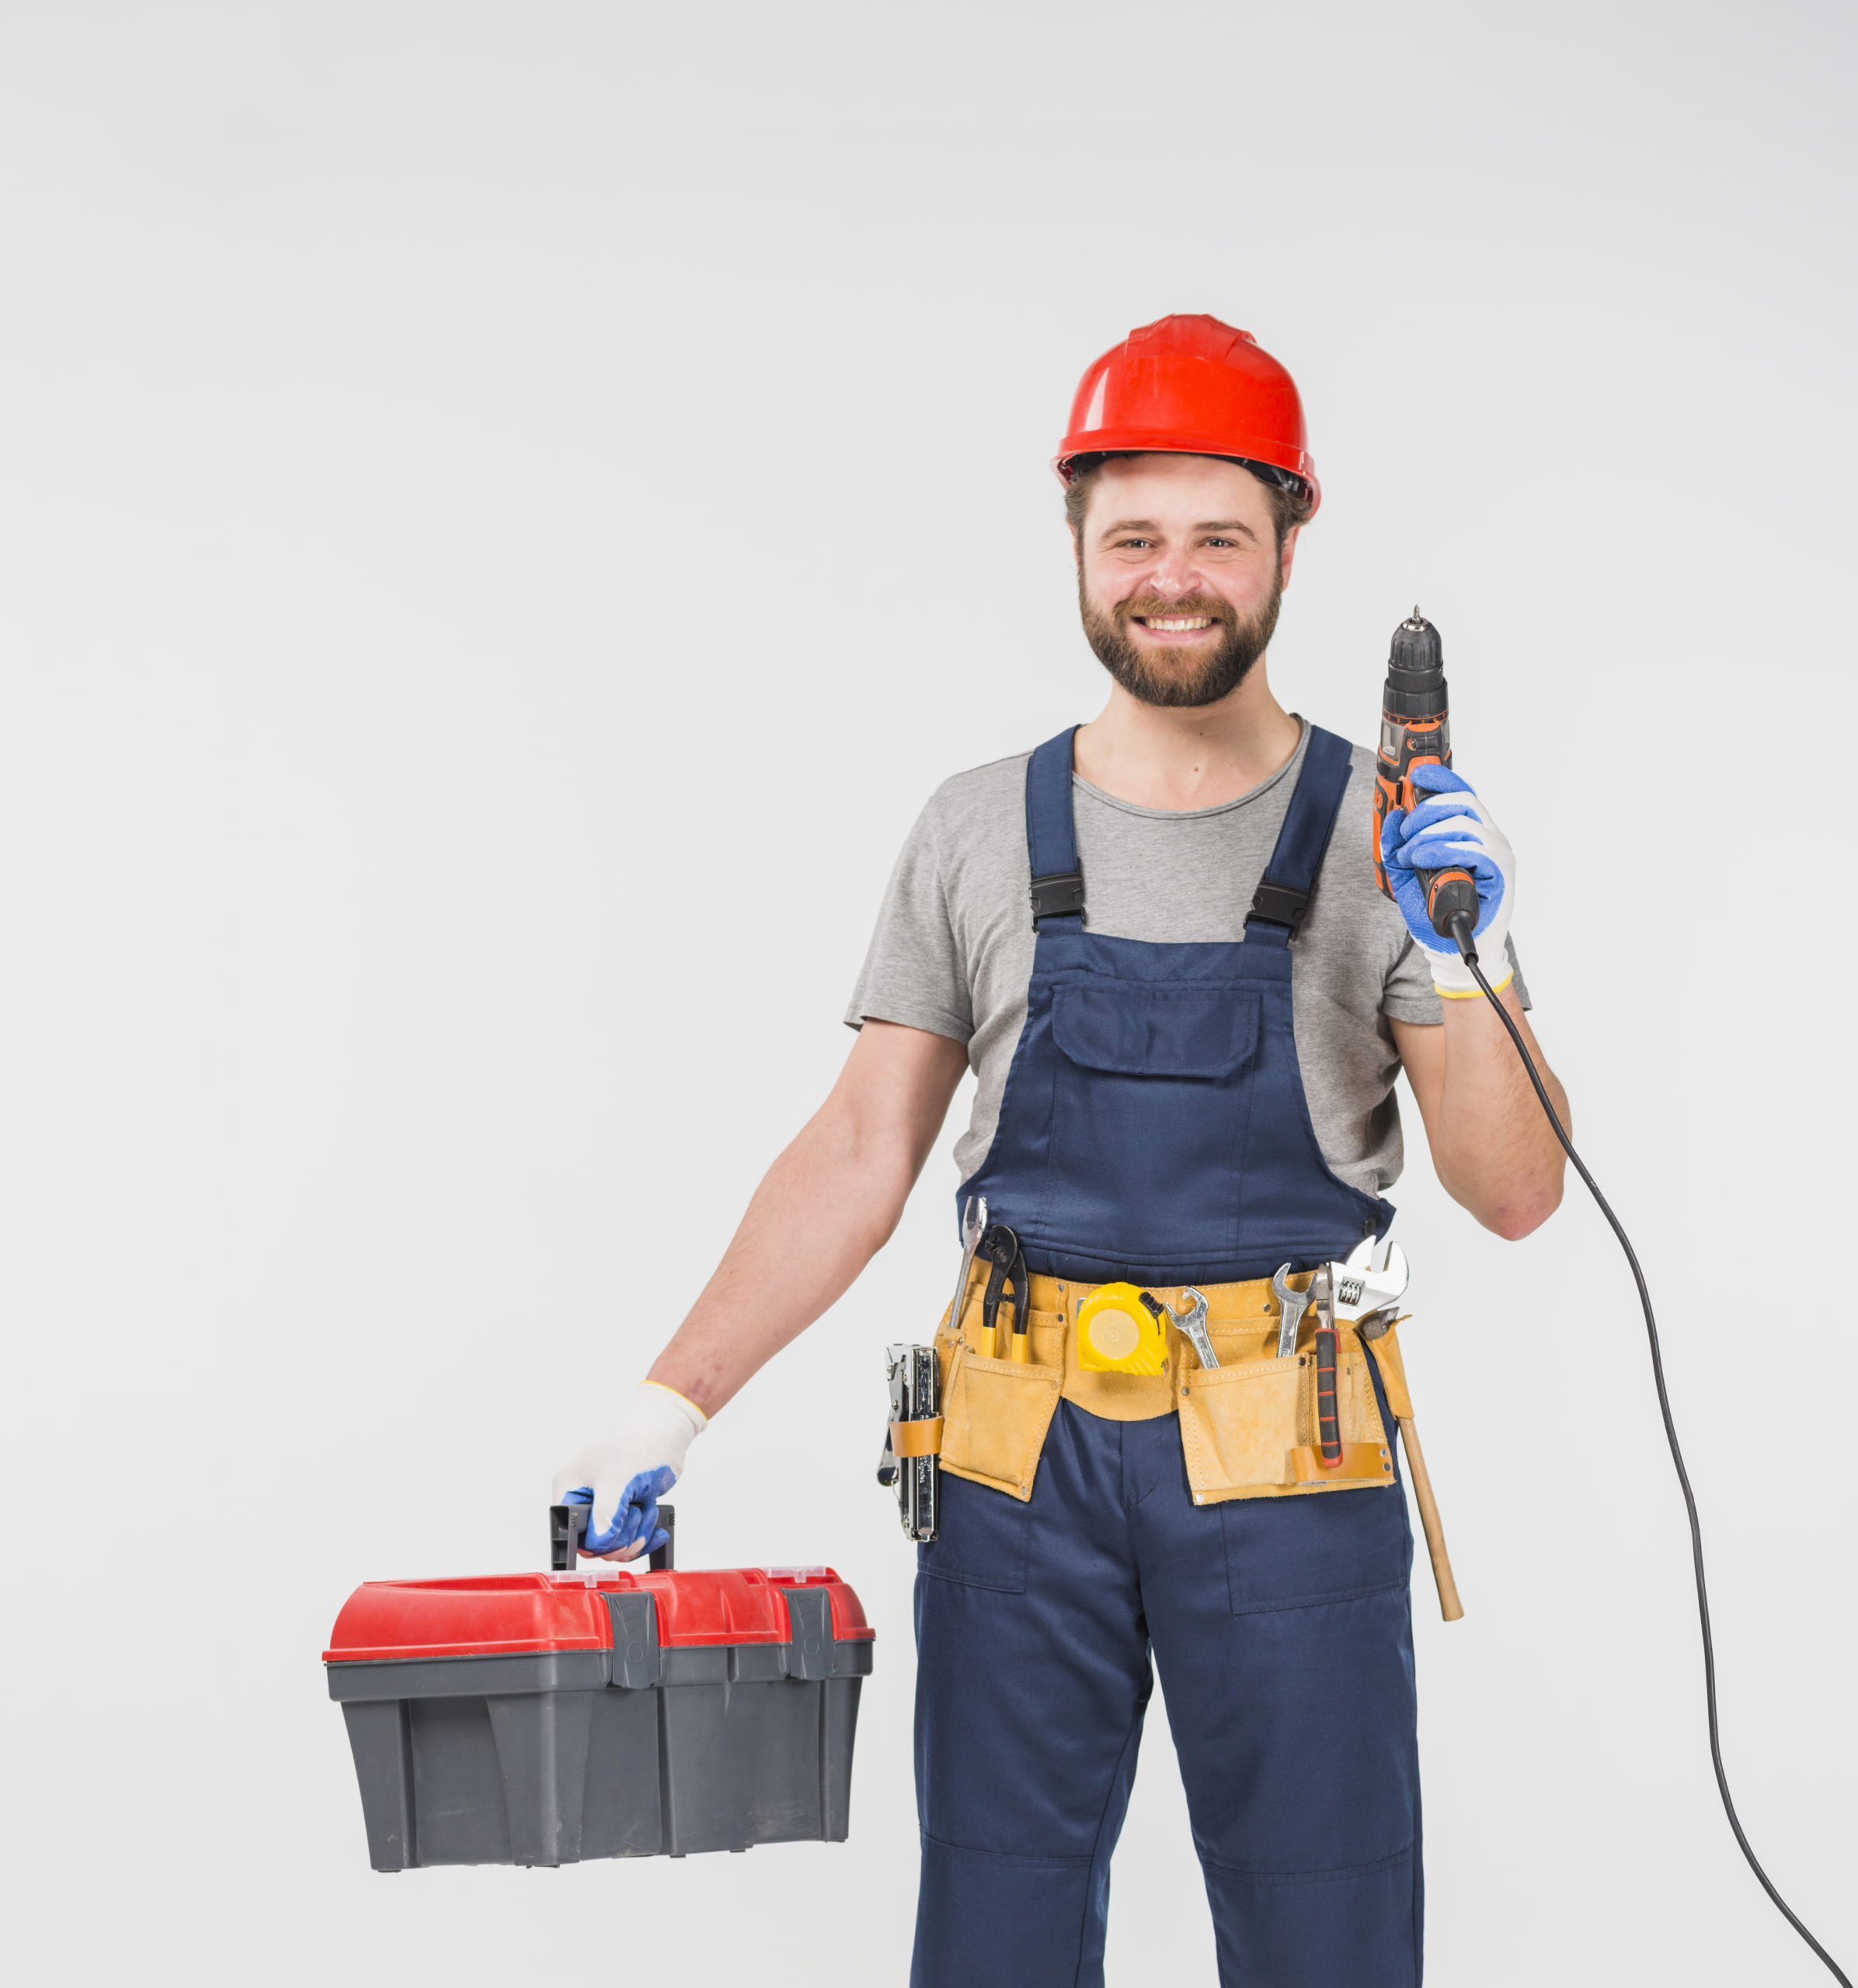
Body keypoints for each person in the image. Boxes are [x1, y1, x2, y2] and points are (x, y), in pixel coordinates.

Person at [553, 312, 1570, 1987]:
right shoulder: (976, 824)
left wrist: (1463, 955)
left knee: (1328, 1932)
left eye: (1217, 538)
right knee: (994, 1934)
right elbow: (860, 1145)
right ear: (1081, 550)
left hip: (1289, 1451)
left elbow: (1517, 1191)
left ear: (1289, 546)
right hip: (1014, 1464)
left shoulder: (1387, 840)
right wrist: (665, 1403)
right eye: (1134, 539)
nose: (1173, 578)